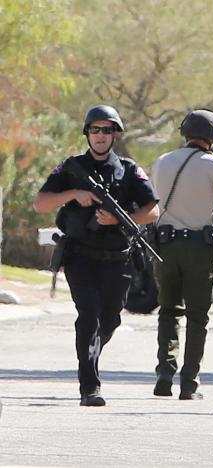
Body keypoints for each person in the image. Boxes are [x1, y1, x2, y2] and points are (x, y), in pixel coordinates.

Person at [33, 104, 160, 406]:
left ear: (115, 134)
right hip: (80, 257)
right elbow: (41, 203)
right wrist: (73, 195)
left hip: (118, 258)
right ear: (87, 134)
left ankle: (89, 352)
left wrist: (119, 219)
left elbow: (152, 211)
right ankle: (89, 386)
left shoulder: (129, 170)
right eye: (95, 130)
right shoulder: (71, 167)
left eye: (106, 130)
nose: (100, 136)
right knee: (87, 316)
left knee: (110, 319)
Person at [151, 109, 213, 400]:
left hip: (164, 245)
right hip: (198, 247)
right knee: (197, 316)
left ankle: (164, 372)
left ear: (185, 132)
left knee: (168, 311)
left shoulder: (162, 162)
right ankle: (189, 383)